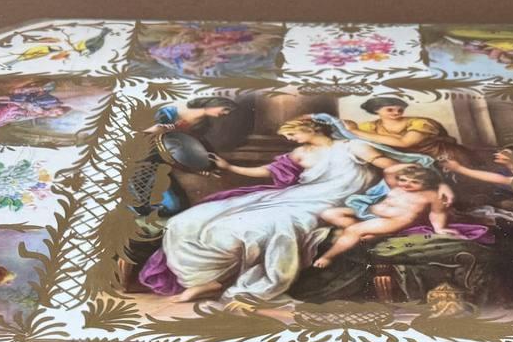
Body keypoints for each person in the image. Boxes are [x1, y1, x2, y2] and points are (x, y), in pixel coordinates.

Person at [141, 117, 405, 304]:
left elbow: (392, 166)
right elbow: (266, 171)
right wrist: (230, 168)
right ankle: (203, 280)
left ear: (310, 128)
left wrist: (398, 187)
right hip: (291, 197)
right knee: (188, 220)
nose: (289, 139)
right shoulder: (301, 152)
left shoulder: (352, 147)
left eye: (292, 134)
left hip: (328, 203)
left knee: (266, 226)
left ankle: (240, 283)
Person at [339, 97, 513, 187]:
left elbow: (406, 143)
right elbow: (349, 137)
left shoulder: (421, 122)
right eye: (390, 110)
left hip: (444, 157)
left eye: (399, 109)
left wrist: (356, 131)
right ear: (377, 111)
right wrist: (348, 129)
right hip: (411, 162)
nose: (396, 113)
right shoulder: (370, 126)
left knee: (467, 186)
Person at [312, 164, 453, 268]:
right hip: (369, 212)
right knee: (328, 213)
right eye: (403, 180)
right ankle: (370, 233)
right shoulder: (397, 186)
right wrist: (412, 165)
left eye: (415, 182)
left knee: (353, 230)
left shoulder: (432, 195)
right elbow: (388, 170)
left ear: (427, 184)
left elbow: (437, 213)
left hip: (393, 221)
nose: (407, 184)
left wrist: (439, 228)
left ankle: (328, 257)